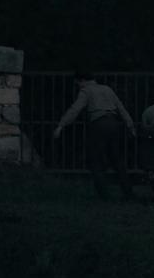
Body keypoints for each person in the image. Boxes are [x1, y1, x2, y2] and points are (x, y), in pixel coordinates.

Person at [53, 70, 137, 201]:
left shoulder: (86, 91)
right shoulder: (107, 89)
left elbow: (75, 109)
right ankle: (129, 193)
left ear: (82, 81)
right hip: (114, 124)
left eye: (77, 83)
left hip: (98, 124)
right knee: (117, 160)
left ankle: (104, 196)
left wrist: (61, 125)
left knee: (96, 160)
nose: (78, 86)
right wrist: (130, 125)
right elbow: (121, 108)